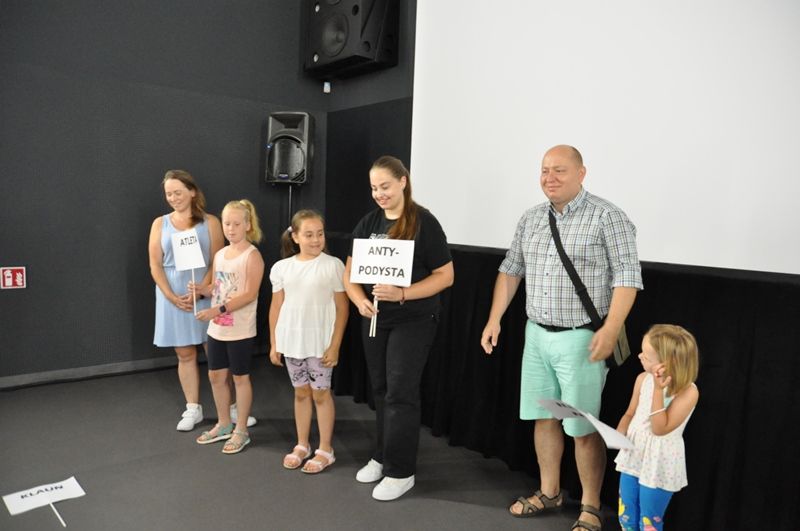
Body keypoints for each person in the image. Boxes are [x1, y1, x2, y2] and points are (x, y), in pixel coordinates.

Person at [480, 145, 643, 531]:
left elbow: (628, 276)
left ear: (581, 173)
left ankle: (590, 506)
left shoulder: (608, 216)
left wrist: (611, 329)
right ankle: (550, 491)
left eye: (560, 170)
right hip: (536, 335)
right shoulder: (531, 218)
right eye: (544, 170)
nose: (549, 178)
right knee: (545, 417)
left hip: (580, 340)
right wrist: (494, 319)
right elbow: (511, 269)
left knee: (582, 427)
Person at [343, 155, 454, 501]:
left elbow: (446, 276)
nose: (379, 193)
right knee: (381, 390)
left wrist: (403, 293)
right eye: (374, 188)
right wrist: (358, 299)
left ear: (403, 181)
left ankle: (401, 471)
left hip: (414, 320)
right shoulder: (369, 222)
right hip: (376, 319)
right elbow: (349, 273)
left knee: (401, 393)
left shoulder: (425, 223)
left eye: (385, 186)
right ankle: (383, 455)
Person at [268, 209, 349, 474]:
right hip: (292, 342)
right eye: (309, 235)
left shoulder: (333, 265)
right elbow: (276, 307)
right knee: (301, 392)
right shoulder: (281, 268)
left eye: (320, 234)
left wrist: (334, 345)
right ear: (295, 237)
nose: (316, 240)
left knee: (321, 394)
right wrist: (274, 343)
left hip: (320, 343)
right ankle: (302, 444)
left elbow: (342, 308)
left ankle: (325, 449)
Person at [193, 200, 265, 454]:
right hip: (218, 328)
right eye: (227, 224)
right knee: (215, 376)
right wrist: (202, 290)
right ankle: (224, 423)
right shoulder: (220, 254)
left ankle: (241, 430)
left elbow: (249, 294)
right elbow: (217, 286)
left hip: (240, 329)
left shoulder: (252, 256)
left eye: (236, 224)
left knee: (240, 378)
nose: (231, 229)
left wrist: (217, 310)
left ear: (248, 225)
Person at [615, 324, 699, 531]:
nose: (639, 356)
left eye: (646, 356)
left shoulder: (688, 392)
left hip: (659, 462)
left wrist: (658, 390)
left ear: (666, 364)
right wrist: (620, 431)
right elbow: (630, 413)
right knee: (626, 516)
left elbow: (659, 428)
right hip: (634, 455)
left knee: (649, 522)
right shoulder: (642, 379)